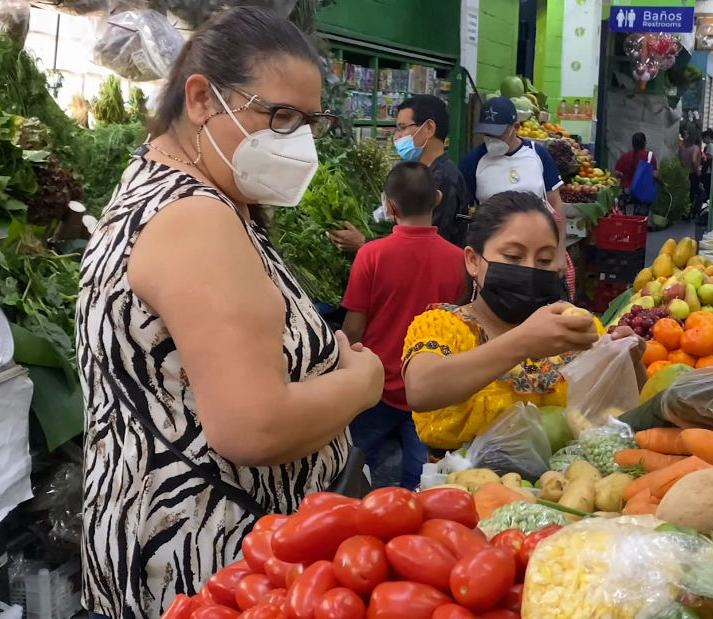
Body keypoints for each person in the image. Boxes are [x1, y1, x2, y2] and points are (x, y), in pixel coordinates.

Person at [76, 8, 384, 619]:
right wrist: (362, 382)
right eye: (280, 117)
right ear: (200, 99)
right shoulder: (196, 218)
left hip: (192, 545)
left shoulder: (183, 190)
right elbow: (254, 426)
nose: (297, 142)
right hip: (209, 562)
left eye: (308, 124)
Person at [401, 191, 647, 452]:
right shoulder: (445, 326)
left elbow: (628, 412)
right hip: (465, 488)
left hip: (567, 485)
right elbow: (421, 389)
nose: (530, 270)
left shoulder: (574, 331)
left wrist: (631, 361)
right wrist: (523, 343)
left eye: (544, 260)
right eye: (513, 257)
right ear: (473, 261)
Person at [341, 162, 465, 489]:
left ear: (390, 206)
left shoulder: (371, 255)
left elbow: (354, 328)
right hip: (429, 391)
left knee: (350, 466)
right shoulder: (458, 261)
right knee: (422, 482)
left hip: (375, 386)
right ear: (437, 199)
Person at [459, 97, 575, 297]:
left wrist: (559, 252)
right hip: (496, 257)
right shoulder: (473, 161)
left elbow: (556, 205)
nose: (492, 140)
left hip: (537, 252)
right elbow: (464, 213)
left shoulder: (537, 155)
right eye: (487, 134)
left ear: (516, 127)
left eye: (498, 133)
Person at [328, 95, 470, 252]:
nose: (396, 137)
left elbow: (425, 247)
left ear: (429, 128)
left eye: (402, 128)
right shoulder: (421, 173)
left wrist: (365, 243)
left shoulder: (444, 180)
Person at [681, 127, 705, 209]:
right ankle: (693, 213)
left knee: (688, 194)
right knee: (699, 193)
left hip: (685, 173)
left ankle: (686, 211)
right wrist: (698, 173)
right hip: (693, 174)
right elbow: (694, 161)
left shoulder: (684, 149)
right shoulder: (695, 148)